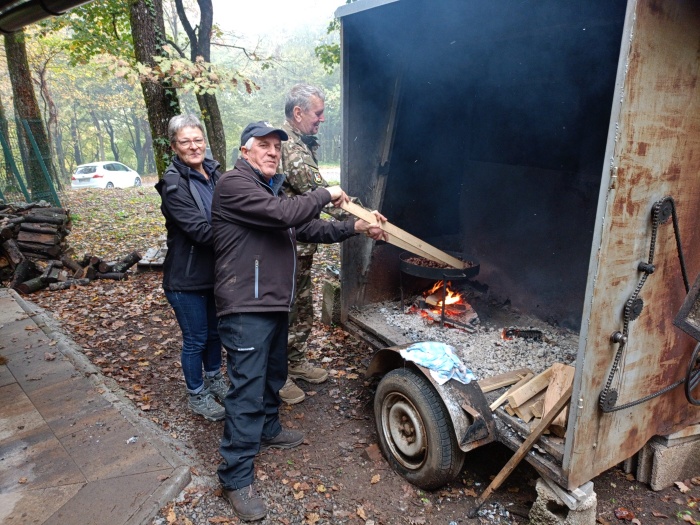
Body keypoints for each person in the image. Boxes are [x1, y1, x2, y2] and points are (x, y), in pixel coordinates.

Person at [212, 121, 386, 521]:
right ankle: (235, 477)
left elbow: (309, 227)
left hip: (273, 303)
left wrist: (357, 226)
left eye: (276, 146)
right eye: (263, 146)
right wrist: (326, 192)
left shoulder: (268, 189)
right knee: (245, 390)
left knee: (274, 375)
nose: (272, 152)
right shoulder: (234, 186)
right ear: (244, 152)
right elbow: (283, 213)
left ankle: (269, 429)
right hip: (245, 305)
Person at [278, 83, 351, 404]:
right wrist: (362, 219)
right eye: (317, 113)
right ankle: (277, 375)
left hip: (302, 246)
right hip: (284, 249)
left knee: (302, 308)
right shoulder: (289, 148)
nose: (322, 119)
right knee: (284, 311)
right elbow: (321, 194)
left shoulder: (303, 143)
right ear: (298, 113)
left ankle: (294, 362)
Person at [156, 114, 227, 422]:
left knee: (215, 335)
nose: (194, 146)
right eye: (185, 142)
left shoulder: (214, 173)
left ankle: (214, 380)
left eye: (198, 140)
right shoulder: (174, 185)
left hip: (214, 273)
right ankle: (197, 394)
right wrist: (242, 232)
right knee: (196, 338)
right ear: (175, 146)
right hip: (185, 280)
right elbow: (200, 231)